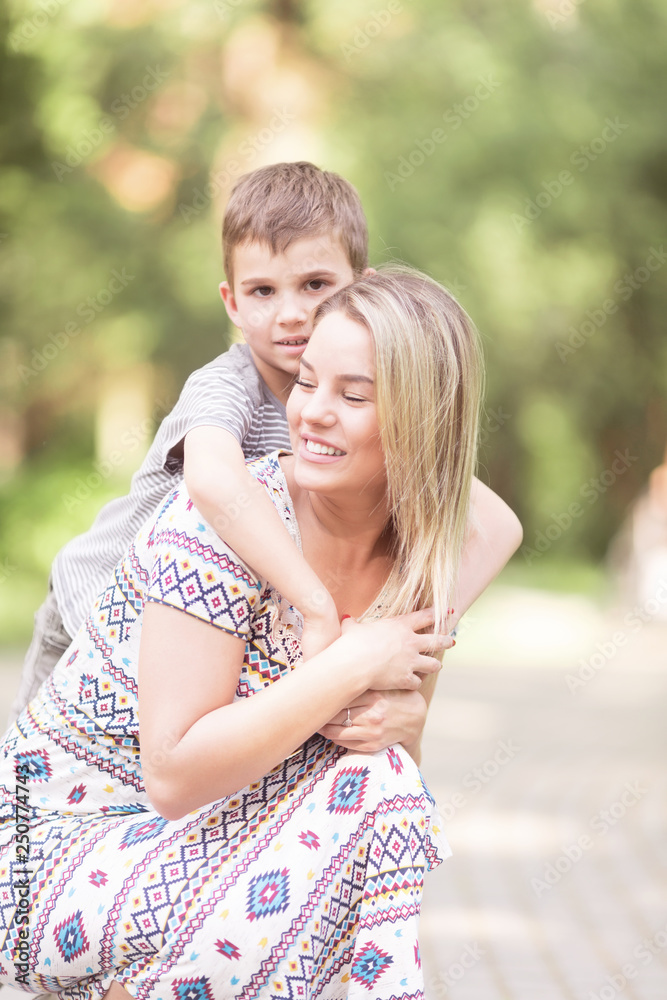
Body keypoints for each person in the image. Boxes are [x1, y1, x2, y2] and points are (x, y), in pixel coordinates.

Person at [0, 266, 513, 997]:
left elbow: (390, 771)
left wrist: (399, 719)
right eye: (305, 382)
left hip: (184, 854)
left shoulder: (415, 566)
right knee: (373, 797)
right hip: (43, 857)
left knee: (382, 787)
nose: (312, 412)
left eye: (354, 395)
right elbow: (173, 776)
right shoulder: (224, 523)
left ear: (421, 418)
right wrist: (355, 658)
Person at [9, 162, 520, 754]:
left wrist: (403, 634)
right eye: (262, 291)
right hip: (93, 614)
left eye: (315, 285)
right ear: (231, 301)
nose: (291, 314)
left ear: (362, 286)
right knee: (48, 775)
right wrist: (316, 607)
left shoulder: (372, 397)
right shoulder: (227, 385)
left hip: (197, 629)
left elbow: (494, 524)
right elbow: (213, 482)